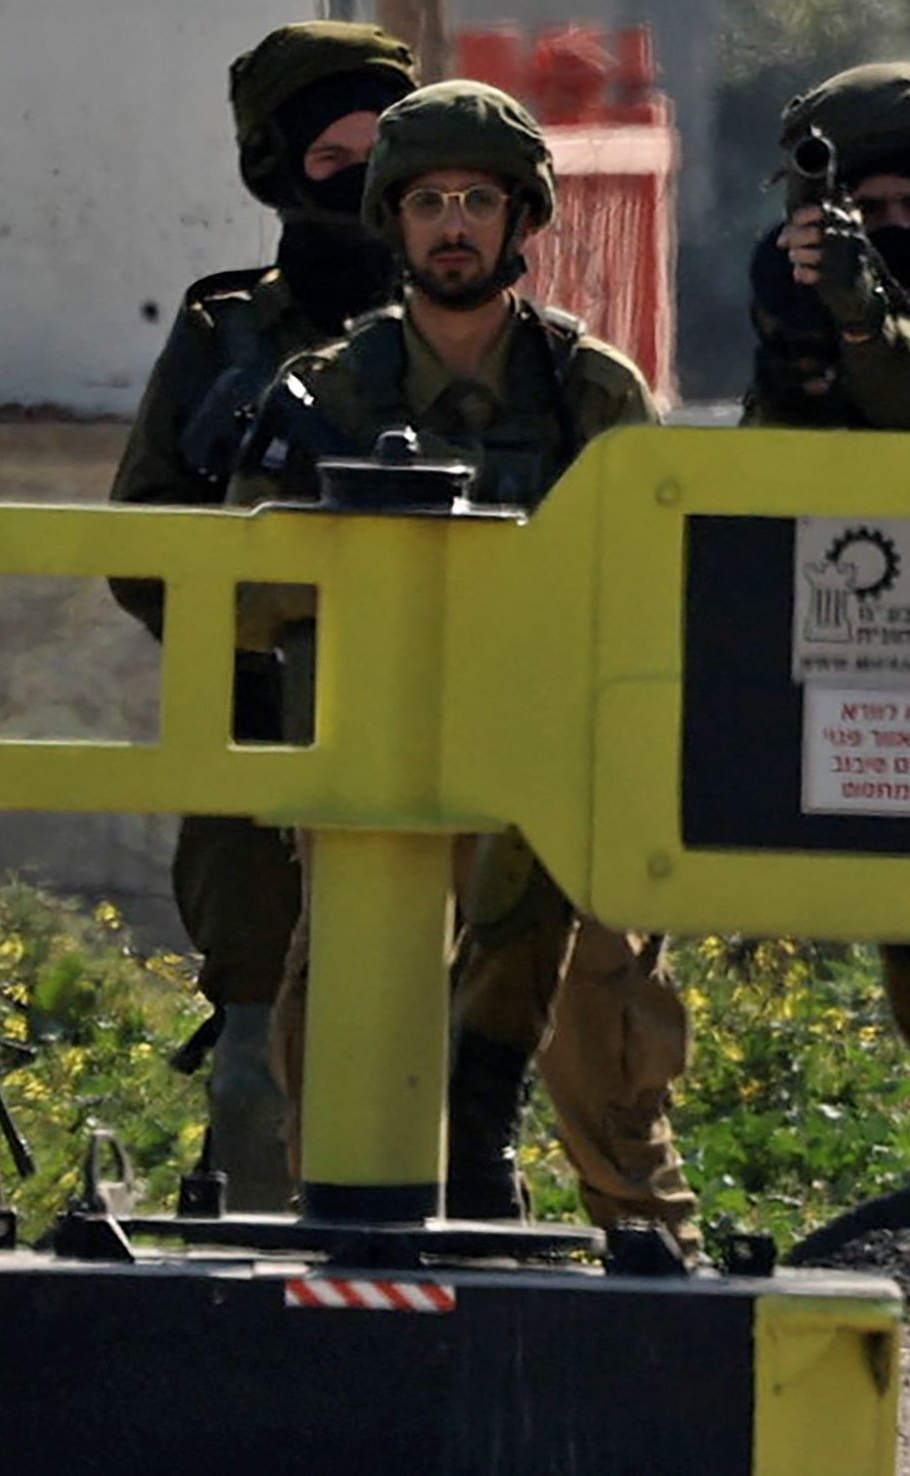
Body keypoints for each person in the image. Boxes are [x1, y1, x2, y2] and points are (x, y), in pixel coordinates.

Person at [228, 80, 700, 1244]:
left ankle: (647, 1259)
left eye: (477, 201)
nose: (452, 225)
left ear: (517, 218)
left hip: (553, 759)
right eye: (428, 200)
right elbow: (244, 589)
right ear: (391, 218)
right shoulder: (328, 392)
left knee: (605, 1028)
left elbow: (651, 584)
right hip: (378, 752)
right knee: (342, 1024)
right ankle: (349, 1258)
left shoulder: (587, 389)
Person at [108, 21, 418, 1209]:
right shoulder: (223, 335)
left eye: (380, 154)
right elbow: (141, 543)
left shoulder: (468, 330)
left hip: (431, 732)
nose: (359, 185)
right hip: (253, 742)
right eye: (330, 159)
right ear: (276, 169)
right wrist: (268, 630)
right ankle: (252, 1260)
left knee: (432, 1036)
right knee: (256, 1052)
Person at [744, 61, 910, 1476]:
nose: (890, 231)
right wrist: (799, 325)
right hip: (848, 733)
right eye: (862, 211)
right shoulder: (800, 324)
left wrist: (856, 307)